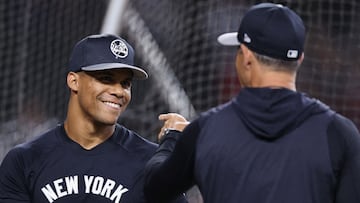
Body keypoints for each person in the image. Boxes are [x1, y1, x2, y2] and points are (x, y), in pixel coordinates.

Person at [143, 3, 360, 203]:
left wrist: (174, 139)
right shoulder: (338, 134)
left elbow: (154, 189)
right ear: (300, 59)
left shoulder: (205, 132)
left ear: (246, 56)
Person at [0, 34, 187, 203]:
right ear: (74, 81)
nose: (118, 91)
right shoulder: (24, 161)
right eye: (106, 78)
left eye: (125, 83)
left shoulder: (150, 163)